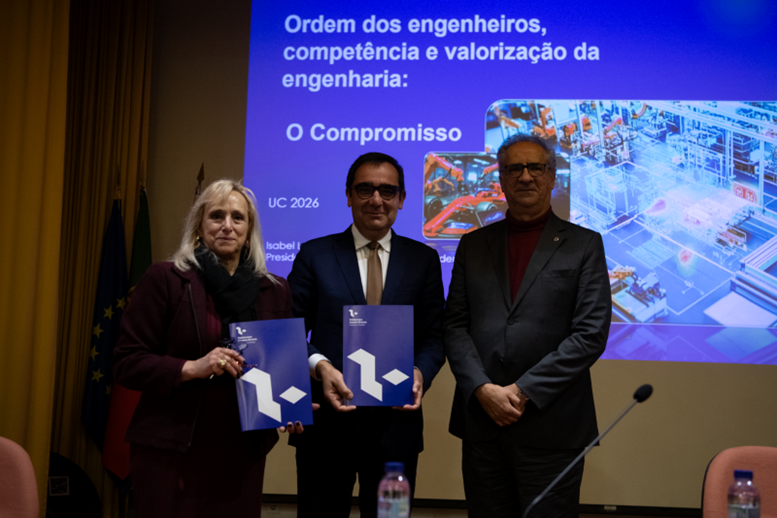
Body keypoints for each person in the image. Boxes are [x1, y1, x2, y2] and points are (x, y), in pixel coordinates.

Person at [113, 179, 304, 517]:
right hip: (172, 449)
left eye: (237, 217)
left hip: (241, 453)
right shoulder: (166, 280)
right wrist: (192, 367)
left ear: (250, 229)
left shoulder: (274, 289)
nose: (227, 225)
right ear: (199, 226)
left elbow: (279, 364)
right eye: (217, 216)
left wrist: (289, 406)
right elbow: (127, 362)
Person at [444, 134, 612, 518]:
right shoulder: (473, 244)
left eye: (536, 167)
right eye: (514, 169)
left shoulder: (585, 244)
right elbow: (454, 325)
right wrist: (482, 388)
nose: (525, 176)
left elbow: (590, 334)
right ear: (501, 179)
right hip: (482, 423)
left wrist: (522, 392)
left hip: (552, 425)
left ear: (552, 177)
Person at [287, 152, 445, 518]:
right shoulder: (315, 254)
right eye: (365, 189)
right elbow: (290, 328)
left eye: (388, 191)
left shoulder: (423, 260)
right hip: (327, 429)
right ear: (348, 195)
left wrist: (419, 372)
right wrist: (320, 366)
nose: (377, 199)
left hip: (396, 432)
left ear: (401, 199)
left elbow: (435, 336)